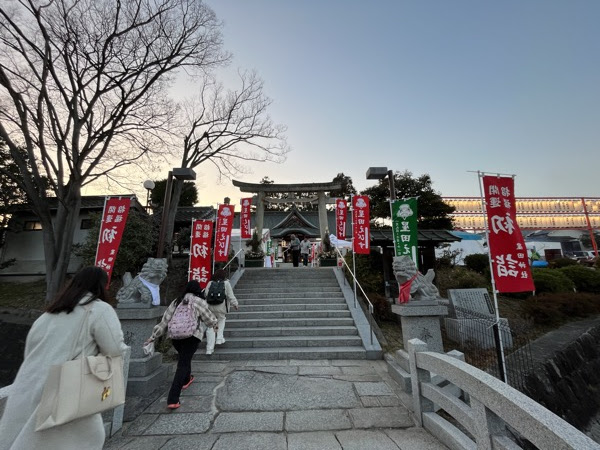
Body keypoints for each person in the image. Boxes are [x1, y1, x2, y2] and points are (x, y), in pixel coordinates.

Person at [0, 266, 127, 450]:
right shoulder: (98, 309)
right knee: (83, 438)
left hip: (29, 385)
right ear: (101, 286)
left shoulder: (47, 315)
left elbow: (30, 351)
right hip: (68, 387)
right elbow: (114, 348)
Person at [145, 280, 217, 409]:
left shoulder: (176, 301)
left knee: (184, 357)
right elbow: (209, 318)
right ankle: (173, 398)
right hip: (191, 336)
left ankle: (186, 379)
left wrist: (153, 337)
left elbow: (164, 321)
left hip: (175, 337)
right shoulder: (198, 301)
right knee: (183, 364)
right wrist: (214, 324)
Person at [203, 269, 238, 355]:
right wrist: (235, 304)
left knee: (211, 326)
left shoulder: (210, 283)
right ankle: (219, 338)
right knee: (221, 320)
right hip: (221, 308)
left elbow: (206, 294)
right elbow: (230, 296)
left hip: (210, 307)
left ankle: (209, 349)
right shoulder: (226, 283)